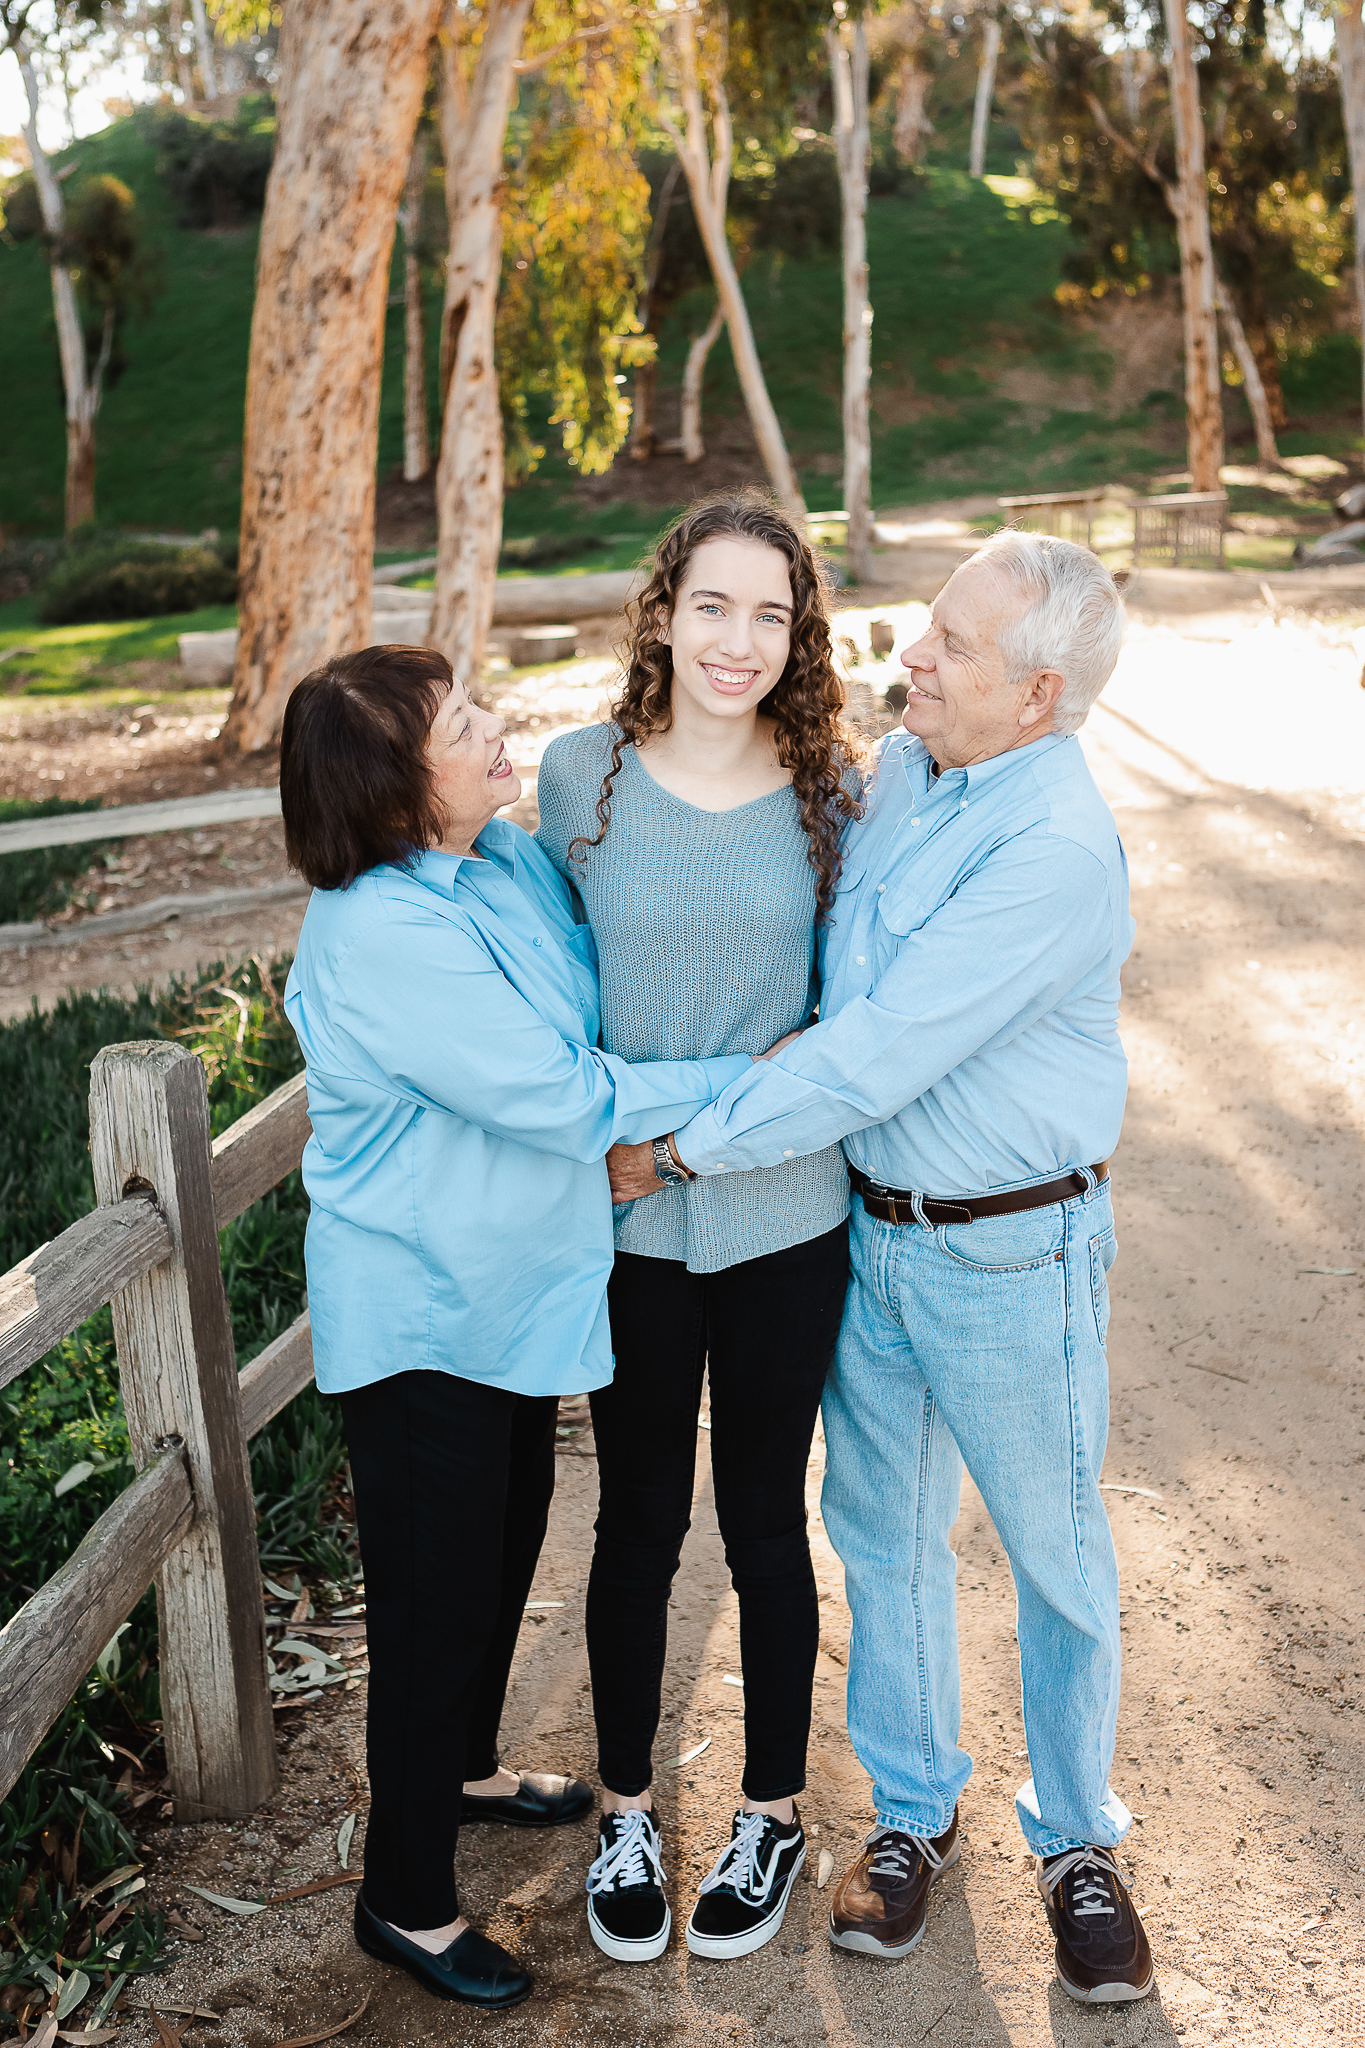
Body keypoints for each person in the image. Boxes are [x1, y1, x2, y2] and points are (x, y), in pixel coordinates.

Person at [608, 531, 1157, 2006]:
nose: (907, 657)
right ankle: (911, 1816)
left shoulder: (1047, 848)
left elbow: (875, 1048)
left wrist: (675, 1149)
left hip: (1007, 1250)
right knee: (882, 1538)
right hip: (871, 1238)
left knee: (1053, 1557)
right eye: (924, 629)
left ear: (1037, 696)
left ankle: (1075, 1843)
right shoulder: (908, 774)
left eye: (950, 647)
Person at [280, 645, 759, 2013]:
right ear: (387, 792)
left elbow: (598, 996)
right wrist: (757, 1080)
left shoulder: (502, 866)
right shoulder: (380, 933)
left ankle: (470, 1772)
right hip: (425, 1307)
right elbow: (557, 1092)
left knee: (494, 1564)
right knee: (435, 1606)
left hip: (510, 1295)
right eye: (463, 727)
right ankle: (405, 1899)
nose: (500, 735)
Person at [535, 491, 862, 1964]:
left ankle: (771, 1814)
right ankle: (623, 1808)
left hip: (788, 1220)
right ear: (662, 611)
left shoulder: (833, 793)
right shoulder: (575, 779)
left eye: (772, 615)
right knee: (637, 1526)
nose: (739, 641)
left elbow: (846, 1032)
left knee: (764, 1526)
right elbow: (538, 998)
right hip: (629, 1234)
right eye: (713, 606)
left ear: (799, 640)